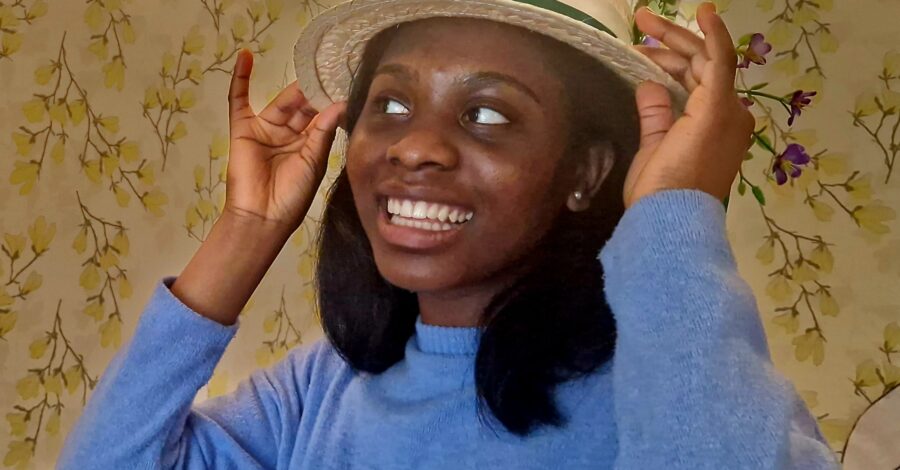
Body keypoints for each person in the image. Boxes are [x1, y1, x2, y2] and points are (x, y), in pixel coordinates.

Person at [58, 1, 839, 468]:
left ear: (586, 174)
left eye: (488, 115)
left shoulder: (666, 388)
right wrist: (246, 229)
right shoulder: (319, 390)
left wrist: (675, 215)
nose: (414, 147)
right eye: (390, 107)